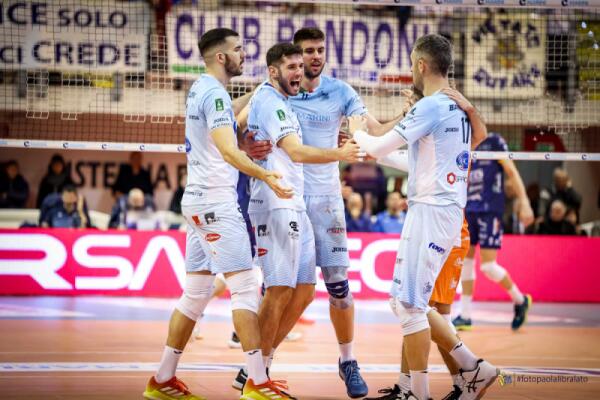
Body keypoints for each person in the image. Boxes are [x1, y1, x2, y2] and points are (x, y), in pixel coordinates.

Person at [143, 28, 294, 400]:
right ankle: (257, 383)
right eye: (238, 49)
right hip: (216, 203)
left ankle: (162, 379)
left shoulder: (203, 88)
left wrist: (256, 92)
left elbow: (225, 109)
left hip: (196, 201)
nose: (244, 54)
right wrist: (266, 176)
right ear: (222, 57)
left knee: (195, 294)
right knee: (245, 287)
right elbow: (229, 150)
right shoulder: (214, 95)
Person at [349, 33, 499, 400]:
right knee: (404, 302)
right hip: (434, 209)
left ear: (421, 65)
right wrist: (367, 145)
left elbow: (379, 145)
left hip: (434, 211)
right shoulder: (454, 107)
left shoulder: (431, 106)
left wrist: (356, 133)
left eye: (411, 66)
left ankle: (452, 377)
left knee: (413, 304)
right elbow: (410, 159)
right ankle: (431, 383)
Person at [244, 42, 360, 397]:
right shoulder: (269, 100)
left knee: (306, 291)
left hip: (299, 203)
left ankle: (259, 368)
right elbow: (294, 150)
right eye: (291, 66)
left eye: (300, 65)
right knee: (278, 289)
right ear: (273, 71)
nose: (299, 71)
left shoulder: (288, 99)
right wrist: (339, 152)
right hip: (276, 202)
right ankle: (256, 377)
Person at [368, 86, 489, 400]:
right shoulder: (430, 143)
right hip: (435, 223)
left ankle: (468, 375)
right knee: (411, 305)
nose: (408, 106)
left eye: (413, 102)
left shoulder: (444, 134)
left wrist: (363, 136)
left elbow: (480, 135)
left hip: (446, 228)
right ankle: (411, 387)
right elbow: (393, 156)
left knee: (422, 309)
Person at [452, 132, 534, 332]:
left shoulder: (495, 141)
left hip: (490, 210)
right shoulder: (465, 142)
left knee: (488, 266)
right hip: (470, 209)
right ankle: (465, 315)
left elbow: (511, 171)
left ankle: (520, 300)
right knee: (466, 263)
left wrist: (524, 202)